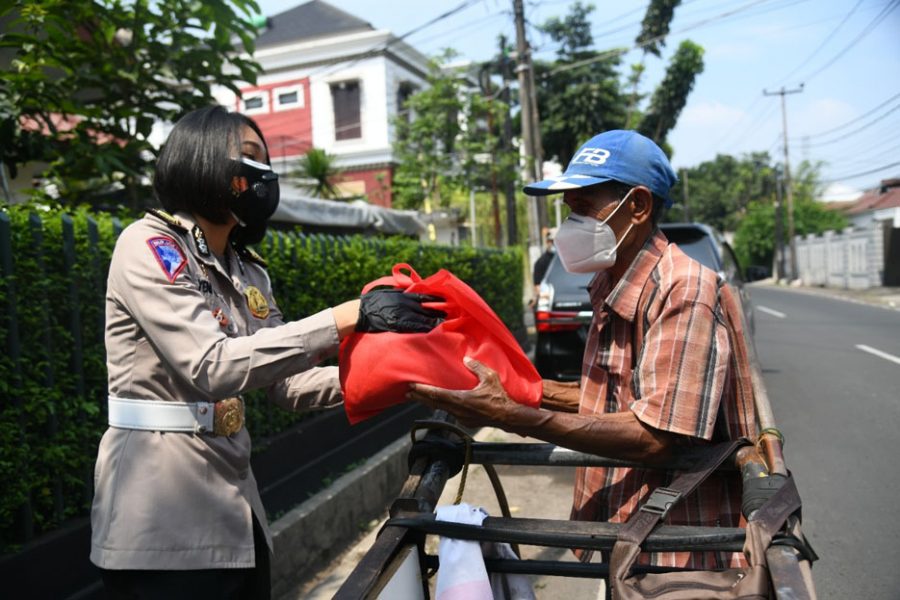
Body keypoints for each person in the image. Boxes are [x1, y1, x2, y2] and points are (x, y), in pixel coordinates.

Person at [90, 105, 444, 599]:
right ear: (203, 157)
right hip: (160, 516)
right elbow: (211, 365)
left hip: (237, 510)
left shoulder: (246, 269)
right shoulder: (149, 246)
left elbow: (288, 384)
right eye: (250, 157)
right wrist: (347, 316)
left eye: (265, 160)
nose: (264, 174)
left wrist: (402, 374)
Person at [408, 130, 757, 571]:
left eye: (585, 208)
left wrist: (511, 416)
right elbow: (615, 398)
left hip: (681, 550)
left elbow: (658, 436)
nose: (572, 227)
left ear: (638, 206)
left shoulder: (683, 290)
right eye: (569, 211)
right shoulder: (614, 280)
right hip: (634, 537)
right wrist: (520, 390)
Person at [530, 229, 555, 304]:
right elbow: (537, 287)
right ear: (547, 242)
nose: (554, 244)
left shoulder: (566, 262)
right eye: (552, 241)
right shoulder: (540, 262)